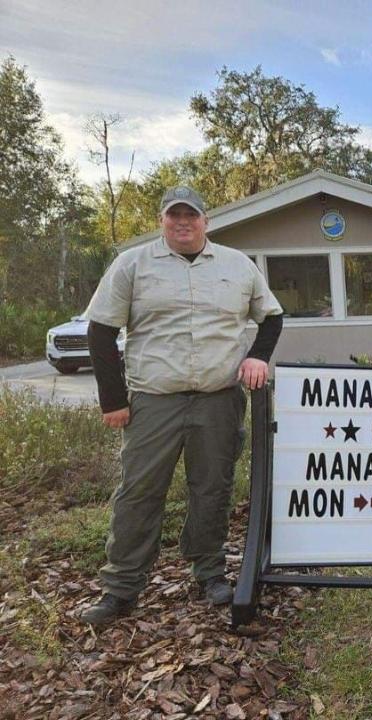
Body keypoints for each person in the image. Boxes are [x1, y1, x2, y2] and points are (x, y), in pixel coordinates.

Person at [79, 186, 284, 626]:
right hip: (154, 401)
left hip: (218, 400)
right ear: (162, 220)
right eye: (175, 216)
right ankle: (121, 587)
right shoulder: (133, 264)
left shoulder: (237, 265)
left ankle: (209, 572)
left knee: (213, 487)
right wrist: (112, 399)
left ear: (206, 220)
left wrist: (257, 357)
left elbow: (271, 317)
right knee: (138, 491)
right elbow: (99, 331)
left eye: (191, 215)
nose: (183, 222)